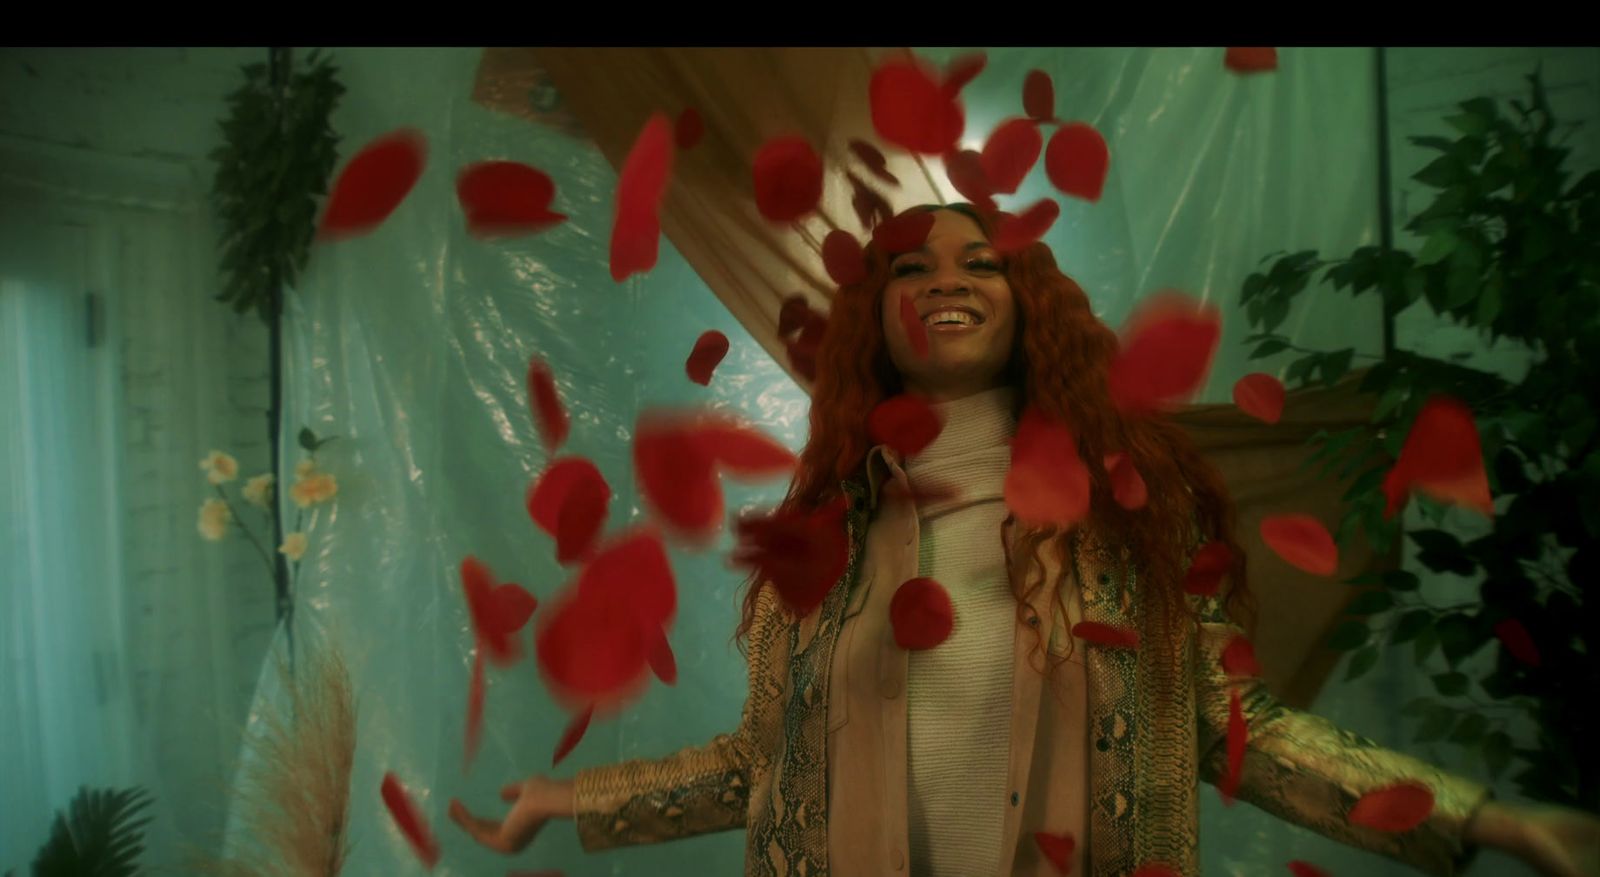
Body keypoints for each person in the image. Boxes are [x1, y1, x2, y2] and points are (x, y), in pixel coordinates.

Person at [452, 204, 1600, 876]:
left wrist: (1487, 818)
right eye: (910, 268)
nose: (942, 283)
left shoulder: (1126, 526)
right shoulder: (827, 543)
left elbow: (1233, 730)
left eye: (977, 264)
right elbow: (766, 765)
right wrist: (571, 800)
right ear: (877, 323)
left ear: (1025, 304)